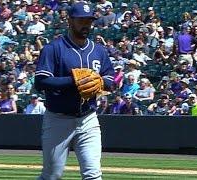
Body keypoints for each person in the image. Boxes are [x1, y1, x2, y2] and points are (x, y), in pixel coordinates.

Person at [34, 2, 114, 179]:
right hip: (58, 119)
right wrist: (74, 81)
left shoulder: (99, 50)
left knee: (93, 174)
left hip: (88, 119)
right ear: (70, 21)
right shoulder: (53, 49)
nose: (86, 24)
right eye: (81, 20)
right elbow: (40, 82)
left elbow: (110, 78)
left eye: (89, 20)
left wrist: (100, 82)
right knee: (52, 175)